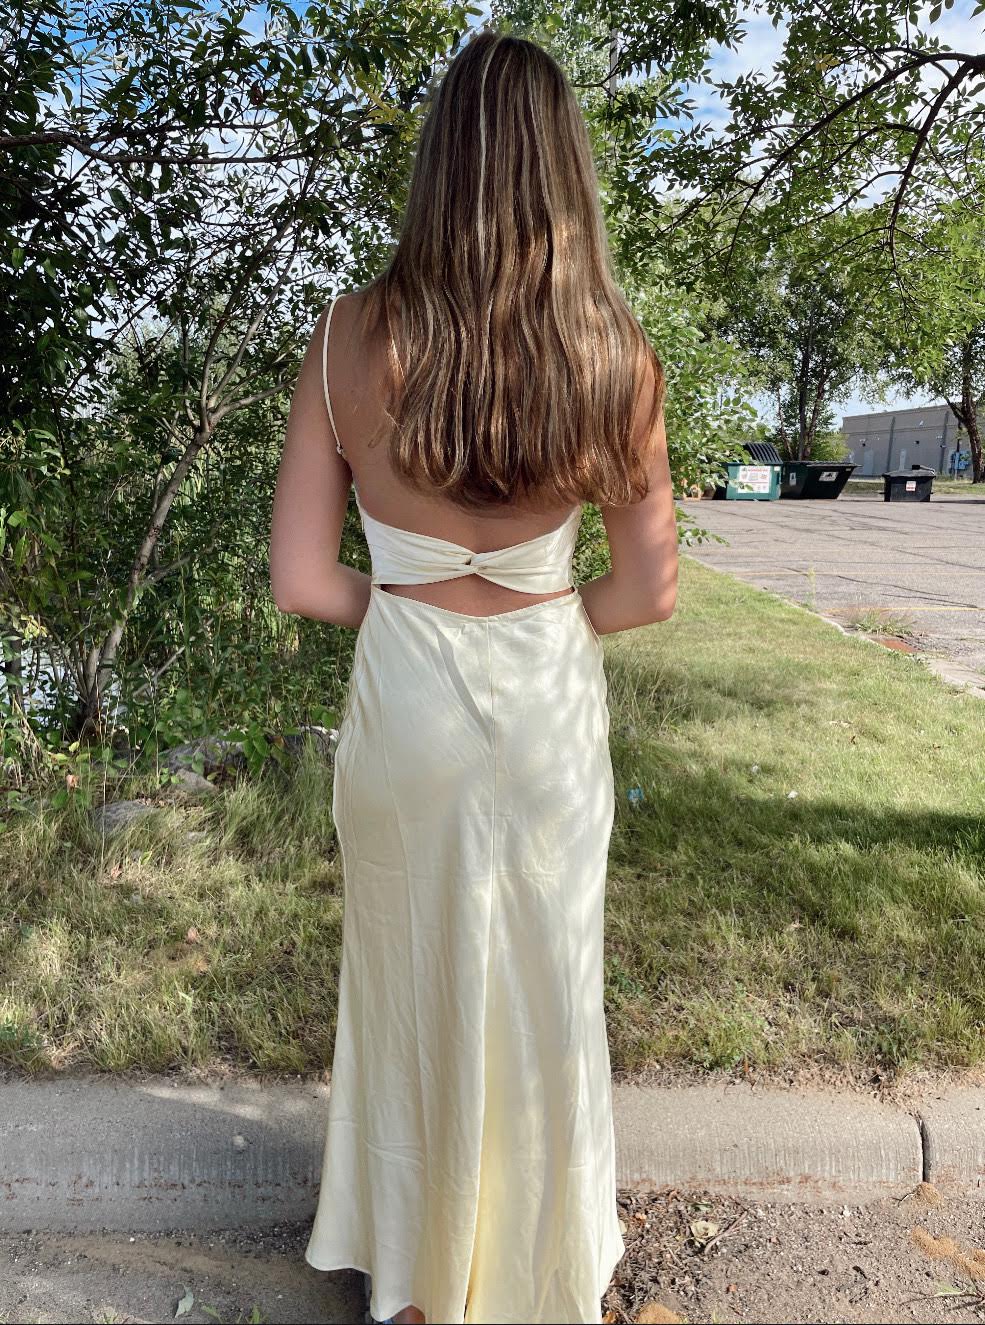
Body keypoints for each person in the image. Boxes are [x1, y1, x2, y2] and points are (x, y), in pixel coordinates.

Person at [268, 27, 678, 1325]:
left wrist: (411, 608)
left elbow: (301, 578)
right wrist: (541, 615)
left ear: (439, 164)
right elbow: (645, 590)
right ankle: (539, 1279)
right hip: (546, 705)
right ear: (566, 171)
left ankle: (414, 1286)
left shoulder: (347, 338)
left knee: (410, 985)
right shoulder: (615, 357)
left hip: (407, 705)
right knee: (545, 989)